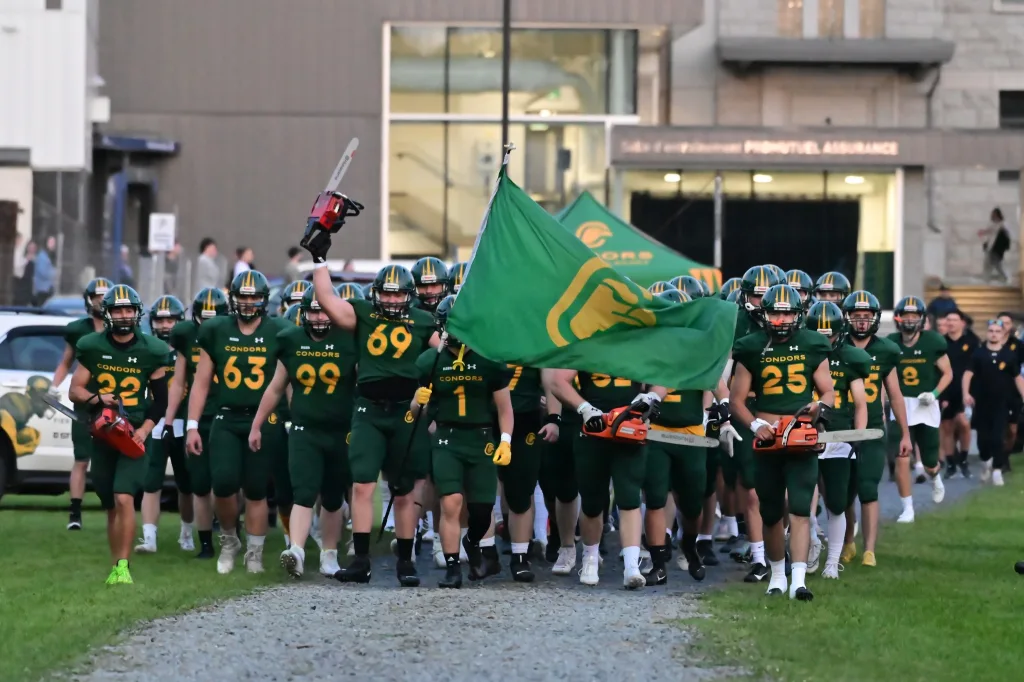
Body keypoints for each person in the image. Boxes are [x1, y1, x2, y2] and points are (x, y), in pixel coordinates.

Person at [306, 237, 439, 587]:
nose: (393, 300)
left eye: (398, 294)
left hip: (406, 413)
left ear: (409, 295)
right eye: (387, 293)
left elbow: (447, 358)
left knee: (405, 490)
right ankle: (361, 559)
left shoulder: (424, 321)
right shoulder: (363, 313)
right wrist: (320, 259)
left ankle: (406, 560)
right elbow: (327, 300)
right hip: (368, 409)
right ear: (376, 293)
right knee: (363, 484)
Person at [730, 284, 835, 600]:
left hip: (801, 432)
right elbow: (736, 400)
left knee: (801, 507)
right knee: (772, 510)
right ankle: (777, 575)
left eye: (787, 312)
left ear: (799, 313)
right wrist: (755, 423)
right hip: (768, 437)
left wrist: (818, 407)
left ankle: (799, 580)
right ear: (764, 313)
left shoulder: (813, 344)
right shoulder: (751, 346)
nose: (781, 318)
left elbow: (828, 391)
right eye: (776, 311)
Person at [186, 270, 288, 574]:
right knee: (223, 484)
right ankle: (230, 541)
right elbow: (201, 383)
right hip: (226, 417)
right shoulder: (216, 329)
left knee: (257, 489)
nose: (247, 302)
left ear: (264, 299)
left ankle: (254, 553)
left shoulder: (279, 331)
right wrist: (192, 425)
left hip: (263, 418)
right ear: (233, 299)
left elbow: (286, 381)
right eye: (242, 296)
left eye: (253, 296)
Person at [251, 287, 357, 579]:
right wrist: (257, 423)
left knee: (334, 497)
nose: (319, 317)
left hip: (340, 430)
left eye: (324, 310)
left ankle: (329, 554)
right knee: (304, 492)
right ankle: (296, 551)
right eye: (313, 311)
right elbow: (275, 387)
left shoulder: (349, 341)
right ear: (304, 313)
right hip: (304, 429)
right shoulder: (291, 340)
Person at [69, 285, 171, 584]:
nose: (124, 315)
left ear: (137, 312)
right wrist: (98, 399)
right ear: (108, 313)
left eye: (128, 309)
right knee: (109, 501)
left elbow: (161, 400)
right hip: (104, 432)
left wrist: (144, 430)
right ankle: (117, 563)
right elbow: (75, 390)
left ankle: (123, 567)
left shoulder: (152, 350)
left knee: (124, 496)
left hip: (134, 432)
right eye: (118, 310)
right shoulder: (93, 346)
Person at [411, 295, 514, 588]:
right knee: (451, 502)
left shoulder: (488, 359)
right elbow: (415, 411)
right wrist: (419, 402)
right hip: (447, 438)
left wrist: (505, 440)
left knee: (482, 512)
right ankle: (453, 567)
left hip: (481, 438)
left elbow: (505, 409)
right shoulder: (430, 360)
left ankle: (472, 540)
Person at [548, 366, 654, 589]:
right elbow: (557, 381)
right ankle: (590, 558)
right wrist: (584, 407)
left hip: (630, 425)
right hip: (593, 428)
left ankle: (632, 567)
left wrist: (652, 395)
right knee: (592, 500)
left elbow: (665, 373)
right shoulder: (588, 340)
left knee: (629, 496)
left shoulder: (640, 340)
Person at [841, 291, 912, 566]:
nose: (861, 322)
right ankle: (848, 541)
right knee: (844, 491)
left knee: (869, 488)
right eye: (856, 317)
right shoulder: (837, 346)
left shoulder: (885, 350)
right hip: (841, 426)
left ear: (875, 318)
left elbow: (894, 394)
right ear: (847, 318)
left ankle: (869, 549)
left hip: (871, 428)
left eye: (866, 316)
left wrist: (905, 433)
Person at [164, 287, 231, 559]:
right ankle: (205, 543)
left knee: (227, 483)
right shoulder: (186, 336)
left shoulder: (235, 335)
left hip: (227, 415)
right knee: (200, 484)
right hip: (198, 417)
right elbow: (179, 381)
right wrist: (169, 421)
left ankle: (230, 534)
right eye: (204, 318)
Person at [725, 265, 782, 582]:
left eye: (766, 294)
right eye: (756, 295)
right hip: (746, 405)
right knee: (751, 484)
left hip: (783, 408)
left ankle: (788, 544)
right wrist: (721, 405)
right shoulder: (736, 323)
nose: (761, 301)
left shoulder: (794, 328)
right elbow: (722, 367)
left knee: (787, 487)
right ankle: (760, 555)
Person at [805, 301, 870, 580]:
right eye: (818, 334)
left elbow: (861, 404)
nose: (824, 340)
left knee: (836, 502)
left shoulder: (849, 358)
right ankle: (811, 541)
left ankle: (832, 562)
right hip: (804, 435)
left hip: (838, 435)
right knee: (800, 498)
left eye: (828, 334)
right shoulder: (800, 354)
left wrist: (858, 435)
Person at [53, 278, 114, 530]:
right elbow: (66, 362)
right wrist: (53, 387)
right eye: (96, 296)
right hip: (85, 400)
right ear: (89, 299)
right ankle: (75, 512)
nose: (100, 301)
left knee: (113, 458)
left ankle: (113, 507)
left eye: (104, 296)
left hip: (113, 400)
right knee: (81, 458)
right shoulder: (78, 329)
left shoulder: (120, 327)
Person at [135, 295, 194, 555]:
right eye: (160, 319)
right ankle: (149, 537)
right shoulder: (147, 352)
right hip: (156, 423)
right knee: (151, 482)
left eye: (171, 319)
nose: (166, 324)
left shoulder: (189, 352)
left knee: (187, 483)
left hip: (184, 422)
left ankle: (187, 532)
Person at [887, 296, 954, 523]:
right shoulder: (891, 342)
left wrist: (934, 394)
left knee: (929, 462)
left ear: (922, 319)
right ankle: (908, 508)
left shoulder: (933, 342)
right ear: (898, 318)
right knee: (902, 457)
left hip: (925, 404)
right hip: (900, 404)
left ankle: (935, 477)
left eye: (914, 316)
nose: (909, 320)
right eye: (906, 316)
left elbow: (948, 373)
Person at [963, 319, 1024, 486]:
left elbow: (1017, 377)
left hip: (1002, 403)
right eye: (991, 331)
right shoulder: (978, 353)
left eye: (998, 331)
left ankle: (997, 470)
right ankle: (985, 463)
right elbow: (967, 374)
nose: (994, 334)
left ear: (1003, 333)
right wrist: (966, 393)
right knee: (983, 440)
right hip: (981, 403)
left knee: (998, 438)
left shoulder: (1009, 355)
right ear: (987, 333)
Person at [941, 309, 979, 479]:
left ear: (962, 323)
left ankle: (963, 459)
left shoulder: (971, 342)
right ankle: (950, 464)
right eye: (948, 320)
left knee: (964, 424)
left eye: (954, 320)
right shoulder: (941, 343)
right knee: (947, 427)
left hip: (965, 391)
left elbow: (977, 368)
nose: (951, 323)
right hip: (946, 391)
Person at [980, 207, 1011, 283]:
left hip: (996, 249)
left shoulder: (1002, 225)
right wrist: (983, 233)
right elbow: (990, 231)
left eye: (994, 214)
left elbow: (1006, 237)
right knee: (992, 264)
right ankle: (987, 280)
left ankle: (1004, 278)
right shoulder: (995, 224)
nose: (992, 216)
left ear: (997, 215)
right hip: (991, 248)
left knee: (995, 264)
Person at [33, 236, 56, 306]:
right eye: (51, 242)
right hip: (42, 289)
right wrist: (53, 273)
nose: (53, 245)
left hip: (47, 289)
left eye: (54, 243)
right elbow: (43, 272)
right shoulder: (42, 256)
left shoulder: (50, 255)